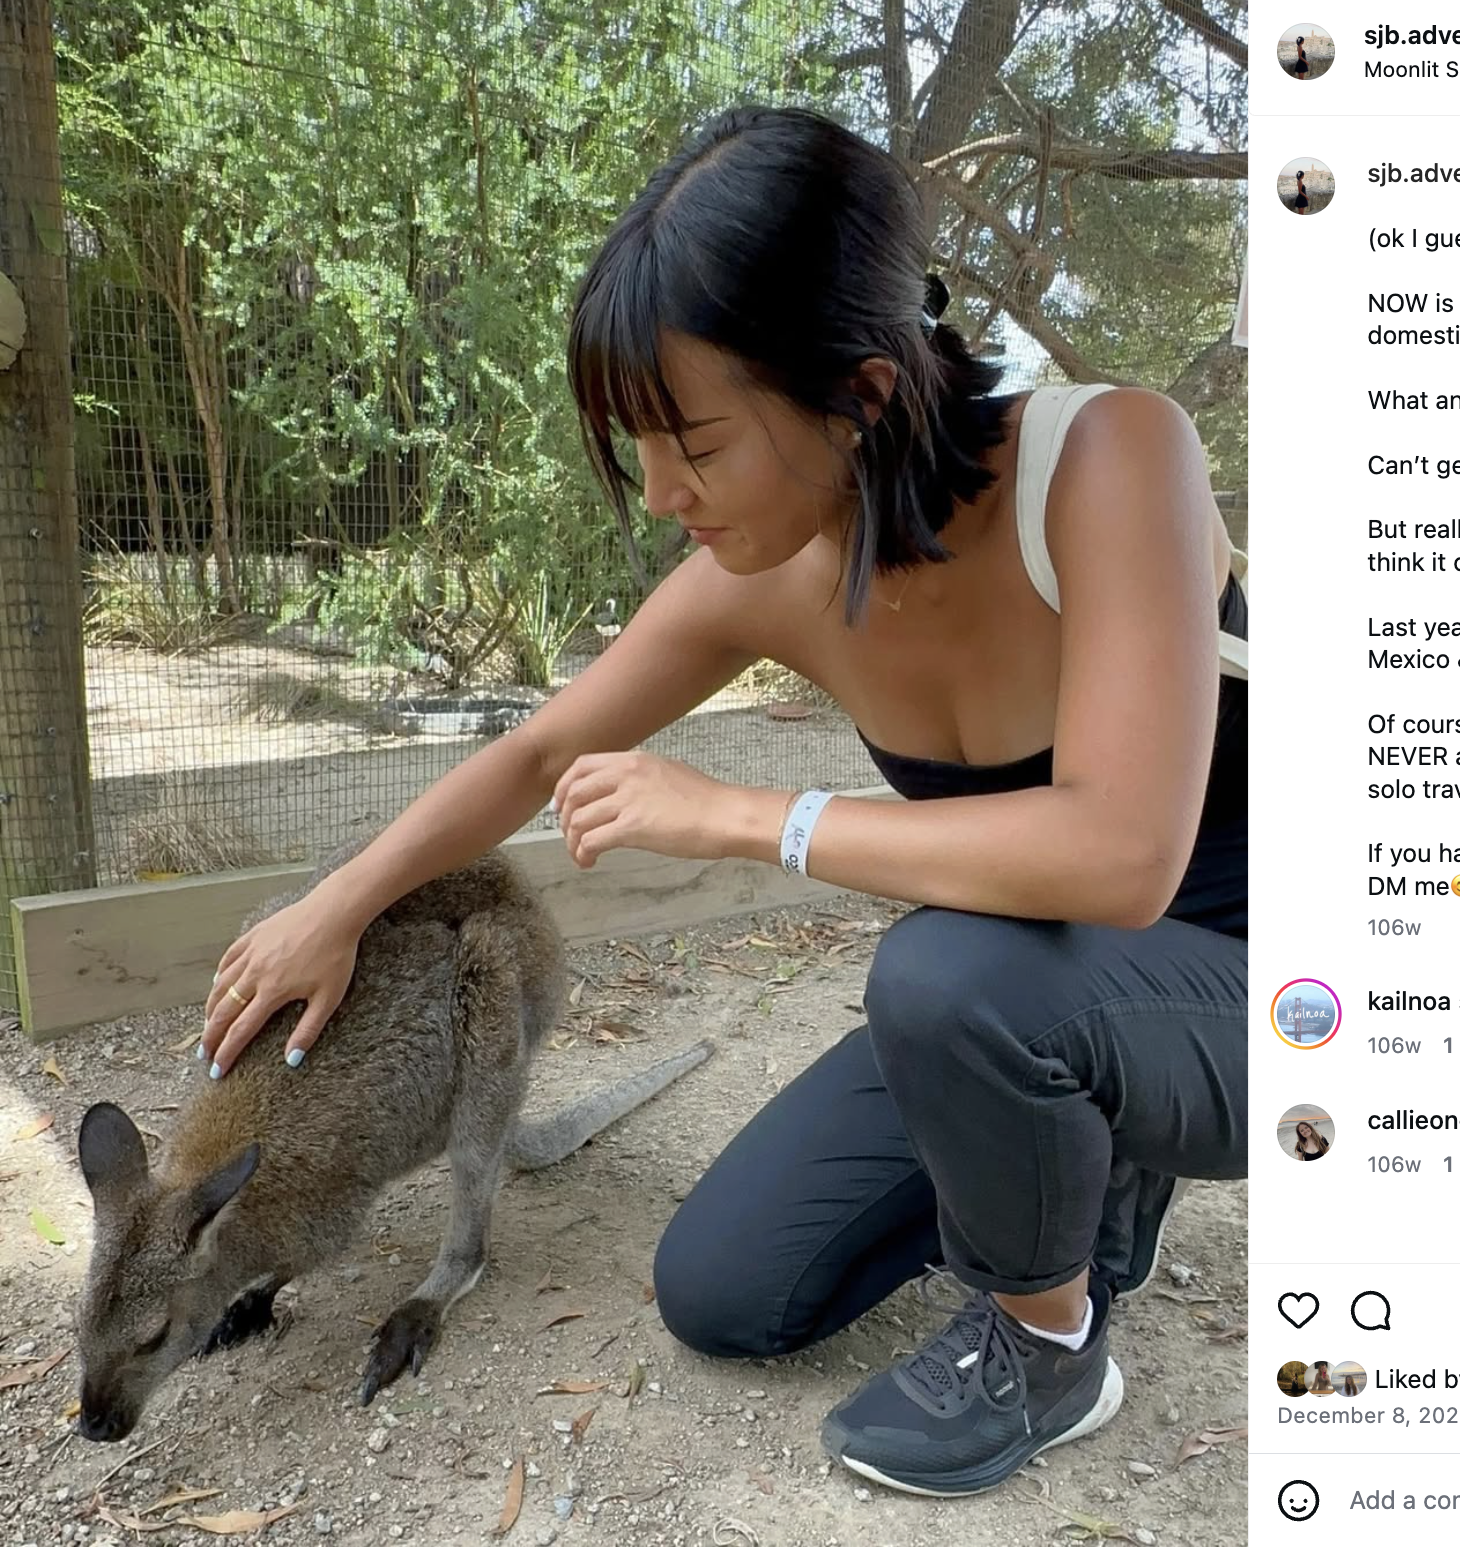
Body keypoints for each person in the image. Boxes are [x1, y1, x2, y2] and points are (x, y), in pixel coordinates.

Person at [194, 103, 1250, 1500]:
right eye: (638, 446)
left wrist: (757, 816)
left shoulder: (1112, 456)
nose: (657, 494)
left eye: (692, 443)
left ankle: (1050, 1343)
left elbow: (1118, 856)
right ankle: (1084, 1160)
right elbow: (538, 753)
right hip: (1035, 990)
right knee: (728, 1288)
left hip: (1258, 988)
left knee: (945, 972)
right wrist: (336, 907)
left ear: (861, 393)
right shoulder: (766, 571)